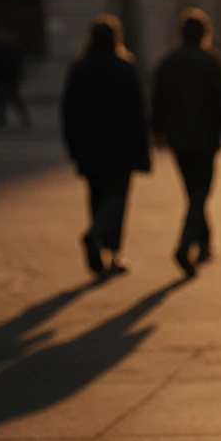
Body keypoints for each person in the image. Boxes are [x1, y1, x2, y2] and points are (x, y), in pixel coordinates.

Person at [151, 8, 221, 278]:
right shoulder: (211, 60)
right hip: (206, 137)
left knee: (193, 192)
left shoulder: (167, 60)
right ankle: (184, 246)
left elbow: (157, 99)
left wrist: (156, 131)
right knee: (200, 193)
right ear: (205, 33)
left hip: (178, 138)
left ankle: (204, 243)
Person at [60, 15, 151, 277]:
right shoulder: (125, 67)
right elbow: (137, 113)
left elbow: (68, 110)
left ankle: (99, 248)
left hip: (88, 148)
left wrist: (72, 145)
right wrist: (143, 150)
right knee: (117, 201)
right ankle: (108, 249)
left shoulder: (80, 67)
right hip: (121, 149)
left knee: (96, 199)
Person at [0, 29, 31, 128]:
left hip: (8, 78)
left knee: (12, 98)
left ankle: (21, 117)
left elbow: (15, 65)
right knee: (2, 99)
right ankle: (2, 118)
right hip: (2, 77)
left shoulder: (9, 49)